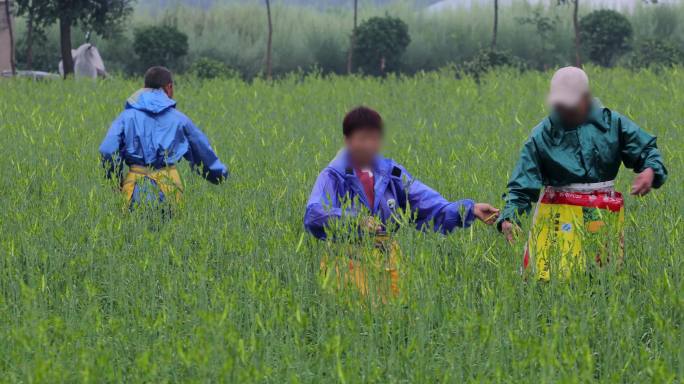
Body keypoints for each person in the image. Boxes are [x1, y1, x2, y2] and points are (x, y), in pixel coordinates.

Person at [497, 66, 667, 279]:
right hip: (558, 215)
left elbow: (646, 150)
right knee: (551, 278)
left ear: (585, 98)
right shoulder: (542, 135)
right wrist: (509, 218)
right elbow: (521, 184)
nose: (564, 112)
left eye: (570, 106)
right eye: (560, 106)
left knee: (603, 278)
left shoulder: (612, 124)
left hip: (602, 211)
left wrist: (650, 171)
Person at [305, 106, 500, 240]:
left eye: (374, 138)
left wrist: (469, 209)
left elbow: (429, 206)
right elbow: (314, 214)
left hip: (387, 268)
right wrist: (357, 221)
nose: (369, 145)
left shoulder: (391, 174)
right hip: (343, 268)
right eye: (362, 138)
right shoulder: (333, 175)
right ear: (347, 140)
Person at [99, 66, 228, 208]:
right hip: (169, 189)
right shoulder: (180, 119)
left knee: (133, 229)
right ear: (169, 87)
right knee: (171, 229)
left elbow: (107, 150)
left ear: (144, 87)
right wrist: (218, 175)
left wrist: (115, 182)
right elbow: (201, 148)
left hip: (133, 188)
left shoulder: (125, 117)